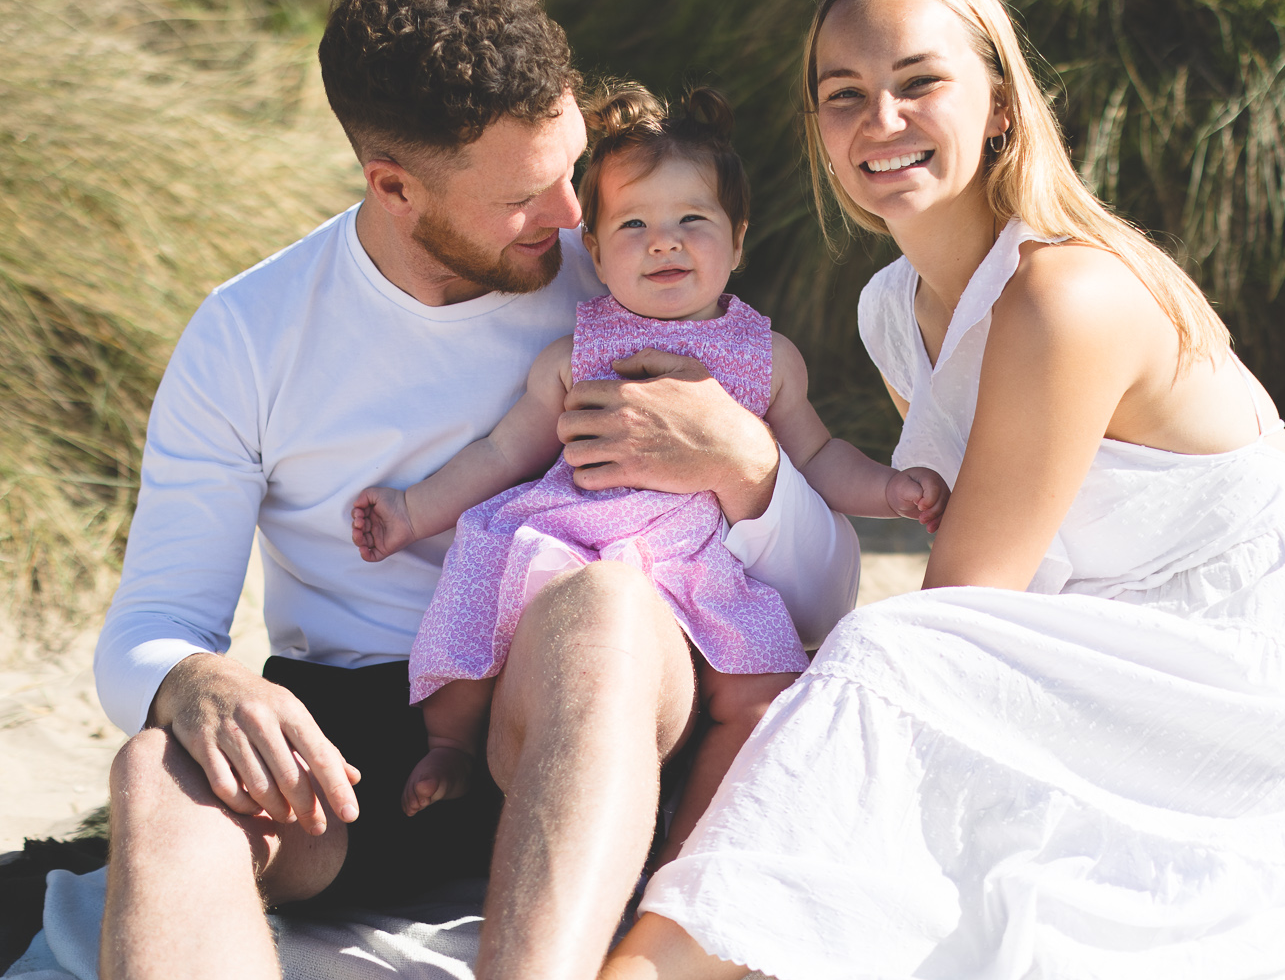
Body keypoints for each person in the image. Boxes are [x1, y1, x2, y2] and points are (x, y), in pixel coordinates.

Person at [519, 0, 1285, 980]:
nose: (880, 121)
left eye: (919, 83)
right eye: (843, 97)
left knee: (876, 656)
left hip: (1244, 684)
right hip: (1102, 661)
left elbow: (957, 613)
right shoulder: (893, 309)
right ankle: (662, 953)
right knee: (825, 685)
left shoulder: (1066, 295)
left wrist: (753, 482)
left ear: (1000, 106)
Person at [92, 0, 859, 980]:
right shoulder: (249, 333)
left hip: (600, 728)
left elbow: (823, 599)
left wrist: (746, 473)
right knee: (161, 770)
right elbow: (152, 620)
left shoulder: (630, 268)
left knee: (599, 604)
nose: (565, 217)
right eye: (520, 197)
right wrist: (192, 682)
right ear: (392, 185)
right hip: (365, 743)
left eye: (566, 168)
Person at [349, 84, 947, 857]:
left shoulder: (768, 361)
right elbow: (503, 455)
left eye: (691, 221)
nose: (664, 242)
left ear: (737, 239)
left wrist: (893, 490)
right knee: (481, 588)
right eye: (633, 225)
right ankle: (452, 744)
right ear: (593, 251)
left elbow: (819, 459)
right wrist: (409, 510)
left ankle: (689, 854)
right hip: (579, 544)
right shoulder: (576, 353)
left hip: (701, 565)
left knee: (763, 691)